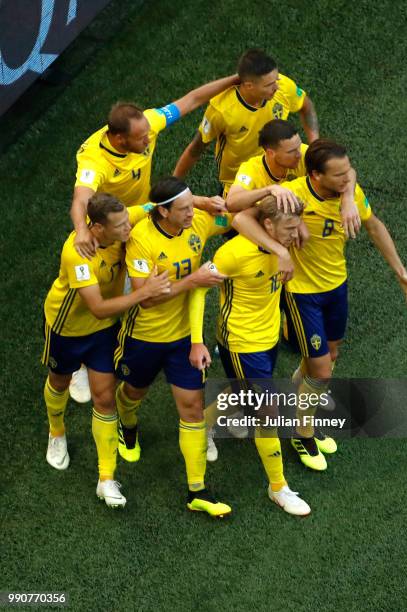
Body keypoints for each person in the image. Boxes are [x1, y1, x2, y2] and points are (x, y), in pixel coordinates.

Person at [232, 139, 407, 470]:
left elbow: (374, 226)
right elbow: (238, 219)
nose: (348, 177)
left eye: (349, 171)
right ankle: (302, 433)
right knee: (321, 369)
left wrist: (401, 272)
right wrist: (279, 252)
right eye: (340, 175)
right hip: (302, 293)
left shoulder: (348, 191)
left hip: (337, 286)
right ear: (316, 176)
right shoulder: (293, 195)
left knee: (328, 358)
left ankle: (296, 412)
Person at [69, 73, 238, 402]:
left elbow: (190, 100)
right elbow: (81, 198)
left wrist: (233, 80)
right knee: (98, 295)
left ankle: (126, 344)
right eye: (141, 138)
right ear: (119, 139)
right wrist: (80, 231)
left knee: (131, 289)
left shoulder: (147, 123)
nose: (149, 140)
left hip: (141, 219)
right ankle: (79, 363)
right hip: (109, 229)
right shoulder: (94, 160)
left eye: (148, 133)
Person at [42, 193, 171, 507]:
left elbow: (155, 206)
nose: (129, 228)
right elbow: (98, 307)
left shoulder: (122, 224)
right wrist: (146, 293)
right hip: (67, 331)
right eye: (120, 225)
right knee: (59, 382)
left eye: (128, 220)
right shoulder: (78, 254)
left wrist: (203, 202)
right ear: (97, 229)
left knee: (104, 398)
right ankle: (56, 432)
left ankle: (106, 478)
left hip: (103, 334)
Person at [114, 177, 233, 517]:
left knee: (193, 408)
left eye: (190, 207)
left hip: (182, 339)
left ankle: (198, 491)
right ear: (163, 211)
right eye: (183, 209)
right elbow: (146, 298)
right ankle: (128, 423)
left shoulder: (195, 220)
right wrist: (193, 281)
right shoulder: (141, 241)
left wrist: (221, 206)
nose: (189, 213)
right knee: (133, 394)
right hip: (144, 337)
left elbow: (230, 219)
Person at [189, 195, 311, 516]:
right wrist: (197, 340)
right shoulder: (233, 253)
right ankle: (278, 488)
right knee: (266, 414)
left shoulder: (283, 242)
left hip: (268, 338)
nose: (294, 233)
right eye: (288, 228)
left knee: (243, 393)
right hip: (241, 343)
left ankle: (204, 424)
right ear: (267, 225)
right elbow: (199, 287)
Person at [173, 49, 319, 198]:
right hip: (239, 180)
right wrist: (174, 185)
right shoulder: (222, 110)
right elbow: (196, 148)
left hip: (280, 165)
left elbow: (306, 107)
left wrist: (315, 145)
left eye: (276, 80)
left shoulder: (283, 87)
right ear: (249, 86)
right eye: (269, 85)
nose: (276, 87)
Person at [226, 119, 361, 239]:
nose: (299, 154)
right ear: (270, 153)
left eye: (299, 146)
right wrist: (270, 189)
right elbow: (231, 203)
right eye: (291, 151)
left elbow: (348, 171)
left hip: (287, 222)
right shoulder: (251, 169)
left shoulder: (301, 153)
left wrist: (348, 199)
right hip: (256, 224)